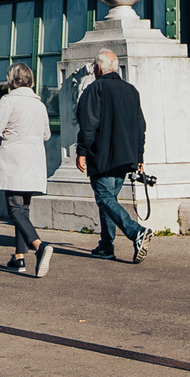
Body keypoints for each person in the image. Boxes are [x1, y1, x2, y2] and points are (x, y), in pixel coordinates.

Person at [75, 49, 150, 263]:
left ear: (98, 68)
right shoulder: (131, 90)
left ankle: (136, 232)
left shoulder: (95, 88)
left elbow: (88, 125)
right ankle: (106, 245)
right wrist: (139, 156)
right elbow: (140, 126)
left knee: (104, 198)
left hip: (103, 155)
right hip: (126, 157)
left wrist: (82, 151)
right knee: (109, 201)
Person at [0, 64, 53, 276]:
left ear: (11, 81)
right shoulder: (39, 104)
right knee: (23, 210)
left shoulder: (8, 100)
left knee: (15, 210)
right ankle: (19, 257)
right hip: (34, 159)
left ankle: (40, 246)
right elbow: (47, 135)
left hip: (14, 158)